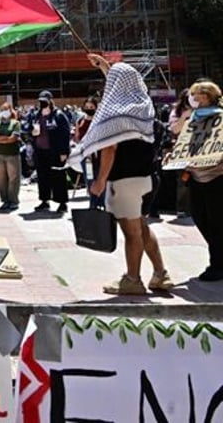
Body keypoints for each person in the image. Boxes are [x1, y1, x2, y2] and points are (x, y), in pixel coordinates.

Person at [74, 54, 173, 295]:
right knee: (141, 225)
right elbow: (121, 83)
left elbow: (110, 148)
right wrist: (107, 68)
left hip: (124, 180)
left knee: (131, 233)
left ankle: (133, 279)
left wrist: (99, 181)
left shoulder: (116, 113)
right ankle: (161, 274)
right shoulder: (144, 106)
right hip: (148, 178)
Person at [184, 79, 223, 282]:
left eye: (201, 94)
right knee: (200, 217)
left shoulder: (220, 118)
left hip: (217, 176)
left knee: (217, 221)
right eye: (194, 94)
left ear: (211, 97)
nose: (196, 98)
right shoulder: (193, 119)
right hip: (196, 176)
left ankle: (217, 264)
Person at [32, 90, 71, 213]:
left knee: (58, 177)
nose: (42, 103)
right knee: (42, 177)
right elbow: (28, 128)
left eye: (44, 101)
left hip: (54, 151)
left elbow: (65, 134)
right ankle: (44, 200)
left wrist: (64, 152)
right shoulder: (37, 115)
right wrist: (32, 133)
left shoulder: (58, 115)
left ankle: (62, 202)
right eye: (40, 101)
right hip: (40, 150)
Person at [0, 102, 21, 210]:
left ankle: (13, 200)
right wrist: (6, 139)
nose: (4, 111)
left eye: (6, 109)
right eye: (2, 109)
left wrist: (1, 139)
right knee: (1, 178)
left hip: (12, 154)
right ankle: (5, 200)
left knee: (13, 178)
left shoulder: (15, 123)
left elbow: (13, 138)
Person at [168, 88, 193, 217]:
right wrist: (184, 116)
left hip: (199, 150)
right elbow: (175, 129)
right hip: (183, 151)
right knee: (183, 180)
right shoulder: (177, 112)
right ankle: (182, 209)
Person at [74, 96, 101, 206]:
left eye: (91, 107)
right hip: (85, 156)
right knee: (89, 180)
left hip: (97, 155)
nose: (89, 108)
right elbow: (77, 136)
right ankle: (93, 204)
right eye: (87, 107)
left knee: (99, 179)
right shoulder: (80, 120)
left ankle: (100, 203)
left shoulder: (99, 120)